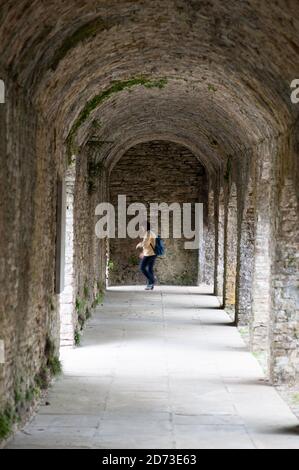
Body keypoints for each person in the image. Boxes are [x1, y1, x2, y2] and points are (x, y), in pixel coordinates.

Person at [137, 222, 157, 291]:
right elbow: (149, 244)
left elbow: (145, 244)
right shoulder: (151, 233)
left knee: (142, 267)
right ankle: (150, 285)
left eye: (142, 227)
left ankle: (152, 279)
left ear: (145, 227)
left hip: (150, 254)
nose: (141, 228)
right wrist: (143, 252)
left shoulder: (148, 234)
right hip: (152, 253)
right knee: (150, 269)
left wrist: (139, 244)